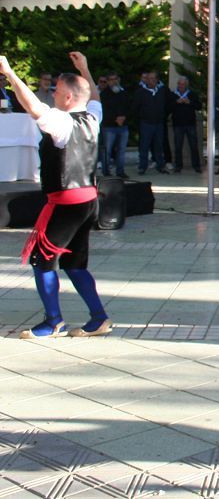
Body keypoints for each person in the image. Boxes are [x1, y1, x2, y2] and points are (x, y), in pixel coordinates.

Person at [0, 51, 113, 339]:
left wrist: (10, 74)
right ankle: (99, 318)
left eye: (58, 91)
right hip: (88, 200)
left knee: (42, 259)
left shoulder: (62, 124)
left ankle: (53, 322)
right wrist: (85, 68)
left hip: (67, 202)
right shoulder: (92, 117)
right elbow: (93, 97)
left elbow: (32, 105)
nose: (53, 95)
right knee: (75, 263)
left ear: (67, 98)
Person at [131, 72, 169, 175]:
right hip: (146, 123)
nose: (151, 81)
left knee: (159, 145)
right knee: (144, 146)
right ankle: (142, 167)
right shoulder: (140, 92)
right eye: (149, 79)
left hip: (158, 123)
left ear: (157, 80)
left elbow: (167, 105)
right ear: (146, 80)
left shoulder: (162, 91)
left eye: (153, 78)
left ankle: (160, 165)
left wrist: (163, 116)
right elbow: (135, 108)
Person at [169, 76, 201, 173]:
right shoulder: (173, 94)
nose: (181, 86)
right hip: (178, 124)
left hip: (190, 123)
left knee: (194, 146)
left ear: (186, 85)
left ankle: (196, 166)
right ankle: (178, 166)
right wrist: (176, 102)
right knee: (178, 146)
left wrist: (189, 102)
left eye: (183, 84)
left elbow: (198, 106)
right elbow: (168, 107)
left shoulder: (192, 94)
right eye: (180, 84)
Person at [99, 73, 129, 178]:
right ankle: (106, 172)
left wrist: (124, 117)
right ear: (108, 82)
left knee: (121, 150)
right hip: (109, 126)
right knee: (107, 150)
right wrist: (115, 119)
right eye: (111, 79)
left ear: (118, 79)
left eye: (115, 79)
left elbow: (128, 107)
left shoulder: (124, 93)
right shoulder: (103, 94)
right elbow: (104, 111)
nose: (114, 81)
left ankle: (120, 172)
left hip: (123, 126)